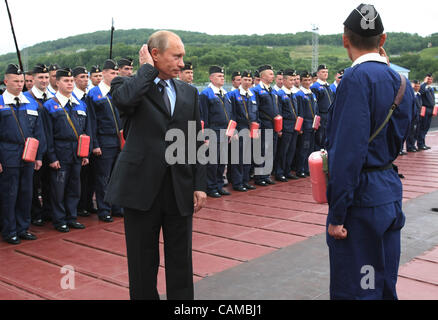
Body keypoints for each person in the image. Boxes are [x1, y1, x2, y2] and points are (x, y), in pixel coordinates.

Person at [105, 30, 207, 300]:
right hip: (141, 189)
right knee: (141, 262)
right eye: (176, 56)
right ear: (155, 55)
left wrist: (199, 184)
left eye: (182, 57)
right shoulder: (126, 85)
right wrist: (146, 71)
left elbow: (194, 140)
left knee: (181, 262)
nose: (182, 63)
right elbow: (125, 100)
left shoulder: (188, 92)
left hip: (179, 187)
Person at [326, 4, 415, 300]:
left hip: (361, 200)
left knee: (359, 288)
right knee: (384, 283)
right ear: (383, 39)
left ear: (345, 40)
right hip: (389, 189)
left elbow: (348, 153)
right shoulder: (402, 82)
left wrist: (337, 214)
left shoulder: (354, 79)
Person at [0, 64, 46, 244]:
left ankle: (23, 227)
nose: (20, 84)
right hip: (8, 153)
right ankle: (10, 230)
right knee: (9, 194)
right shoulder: (1, 103)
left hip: (29, 154)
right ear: (6, 81)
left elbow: (39, 132)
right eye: (16, 81)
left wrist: (39, 156)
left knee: (26, 193)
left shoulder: (31, 103)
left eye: (21, 81)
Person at [43, 68, 92, 233]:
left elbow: (86, 130)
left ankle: (72, 217)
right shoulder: (49, 106)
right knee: (58, 189)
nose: (70, 84)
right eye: (66, 81)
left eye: (71, 81)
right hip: (60, 151)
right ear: (57, 83)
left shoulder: (80, 103)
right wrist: (51, 157)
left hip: (77, 152)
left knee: (74, 187)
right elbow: (47, 135)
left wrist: (85, 153)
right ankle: (59, 220)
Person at [87, 59, 123, 222]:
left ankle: (116, 206)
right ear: (103, 74)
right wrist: (95, 144)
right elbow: (91, 121)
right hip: (104, 140)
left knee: (118, 176)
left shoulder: (119, 91)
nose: (115, 75)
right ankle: (104, 209)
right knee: (103, 178)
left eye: (117, 73)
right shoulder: (94, 93)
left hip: (119, 141)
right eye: (112, 73)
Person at [24, 64, 54, 227]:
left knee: (51, 182)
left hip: (53, 147)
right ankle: (36, 214)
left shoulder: (54, 97)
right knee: (34, 184)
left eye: (46, 77)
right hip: (35, 149)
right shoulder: (25, 98)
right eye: (40, 77)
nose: (44, 81)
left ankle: (49, 211)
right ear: (33, 79)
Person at [200, 66, 234, 198]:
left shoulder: (225, 93)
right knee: (212, 163)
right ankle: (211, 187)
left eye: (223, 76)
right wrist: (206, 135)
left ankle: (219, 185)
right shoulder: (206, 94)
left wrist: (230, 132)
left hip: (225, 133)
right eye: (219, 76)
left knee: (221, 162)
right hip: (213, 132)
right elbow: (204, 116)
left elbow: (230, 114)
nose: (222, 78)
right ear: (211, 78)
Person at [228, 71, 259, 192]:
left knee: (248, 157)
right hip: (239, 129)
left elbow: (256, 113)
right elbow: (231, 114)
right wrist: (233, 130)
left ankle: (245, 180)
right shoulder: (233, 94)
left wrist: (257, 128)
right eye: (245, 80)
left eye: (249, 80)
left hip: (251, 129)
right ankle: (237, 182)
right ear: (241, 81)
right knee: (238, 158)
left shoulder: (252, 95)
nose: (247, 82)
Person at [251, 65, 281, 186]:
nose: (272, 76)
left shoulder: (272, 90)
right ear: (262, 76)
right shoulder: (257, 90)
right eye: (270, 74)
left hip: (273, 125)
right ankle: (259, 176)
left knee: (271, 151)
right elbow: (255, 109)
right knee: (262, 151)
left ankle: (266, 174)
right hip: (264, 124)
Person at [72, 67, 95, 217]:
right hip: (74, 145)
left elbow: (92, 123)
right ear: (74, 80)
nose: (86, 80)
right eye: (82, 77)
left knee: (89, 177)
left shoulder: (89, 97)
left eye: (87, 77)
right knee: (77, 179)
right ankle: (78, 207)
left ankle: (86, 203)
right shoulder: (74, 99)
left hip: (88, 144)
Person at [275, 69, 301, 181]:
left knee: (291, 150)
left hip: (294, 126)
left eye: (294, 79)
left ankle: (287, 170)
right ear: (284, 80)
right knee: (283, 151)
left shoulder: (293, 93)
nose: (293, 82)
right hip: (286, 126)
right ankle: (279, 172)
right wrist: (279, 129)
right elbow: (279, 112)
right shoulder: (280, 94)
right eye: (291, 80)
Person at [295, 71, 318, 178]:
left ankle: (308, 168)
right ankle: (300, 169)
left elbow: (316, 110)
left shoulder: (312, 93)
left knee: (310, 148)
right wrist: (300, 127)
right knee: (303, 148)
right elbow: (299, 112)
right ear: (300, 81)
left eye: (309, 80)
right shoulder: (299, 94)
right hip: (305, 125)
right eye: (305, 80)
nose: (308, 82)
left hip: (312, 125)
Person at [311, 64, 335, 151]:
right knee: (320, 139)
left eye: (326, 72)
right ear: (318, 74)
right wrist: (317, 118)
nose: (325, 74)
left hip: (330, 115)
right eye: (323, 72)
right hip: (322, 115)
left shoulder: (328, 86)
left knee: (328, 138)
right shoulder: (315, 86)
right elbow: (315, 103)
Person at [418, 73, 435, 150]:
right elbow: (421, 91)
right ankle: (420, 144)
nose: (430, 81)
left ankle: (423, 143)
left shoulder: (430, 88)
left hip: (430, 109)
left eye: (431, 79)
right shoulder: (423, 87)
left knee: (426, 127)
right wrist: (424, 82)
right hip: (425, 109)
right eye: (428, 79)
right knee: (423, 126)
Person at [406, 80, 422, 152]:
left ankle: (413, 145)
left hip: (418, 115)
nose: (417, 87)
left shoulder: (418, 94)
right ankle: (409, 146)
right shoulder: (411, 94)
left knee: (416, 131)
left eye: (418, 86)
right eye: (416, 86)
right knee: (411, 131)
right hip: (412, 115)